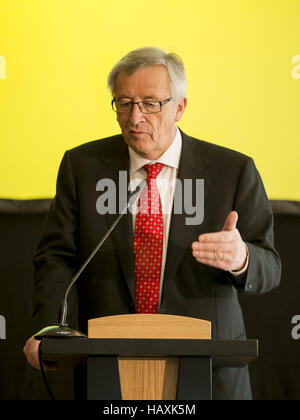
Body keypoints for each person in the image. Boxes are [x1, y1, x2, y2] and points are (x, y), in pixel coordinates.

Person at [23, 47, 281, 400]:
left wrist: (242, 259)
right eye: (124, 103)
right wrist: (50, 328)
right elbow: (57, 257)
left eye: (150, 103)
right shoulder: (82, 167)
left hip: (209, 370)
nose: (135, 117)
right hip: (108, 367)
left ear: (180, 107)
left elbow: (270, 265)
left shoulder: (231, 171)